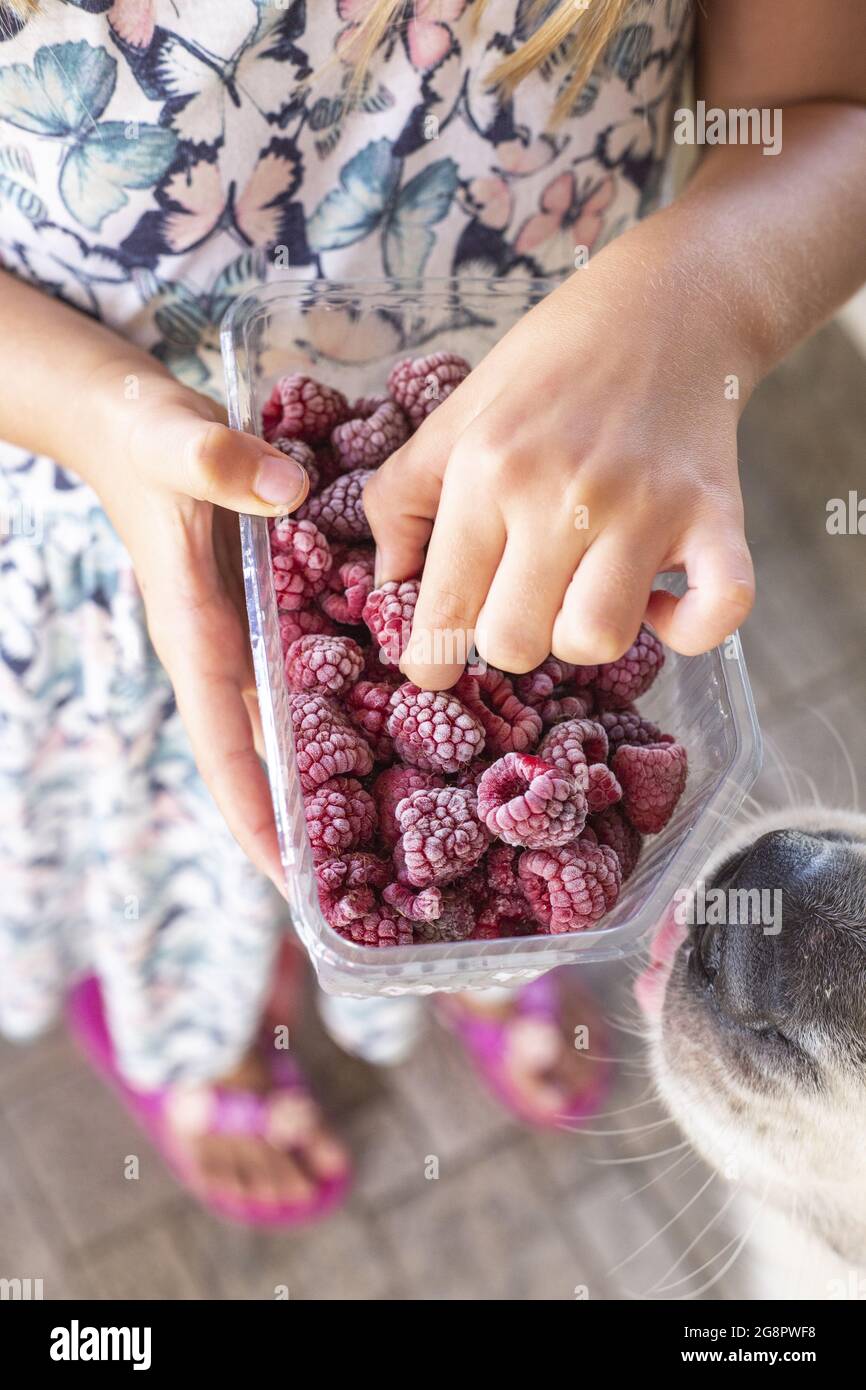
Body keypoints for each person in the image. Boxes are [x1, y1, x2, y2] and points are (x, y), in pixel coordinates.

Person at [0, 0, 863, 1223]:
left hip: (549, 515)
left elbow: (831, 117)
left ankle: (476, 936)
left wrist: (703, 293)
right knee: (182, 856)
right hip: (89, 522)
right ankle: (207, 1028)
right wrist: (96, 413)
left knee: (448, 888)